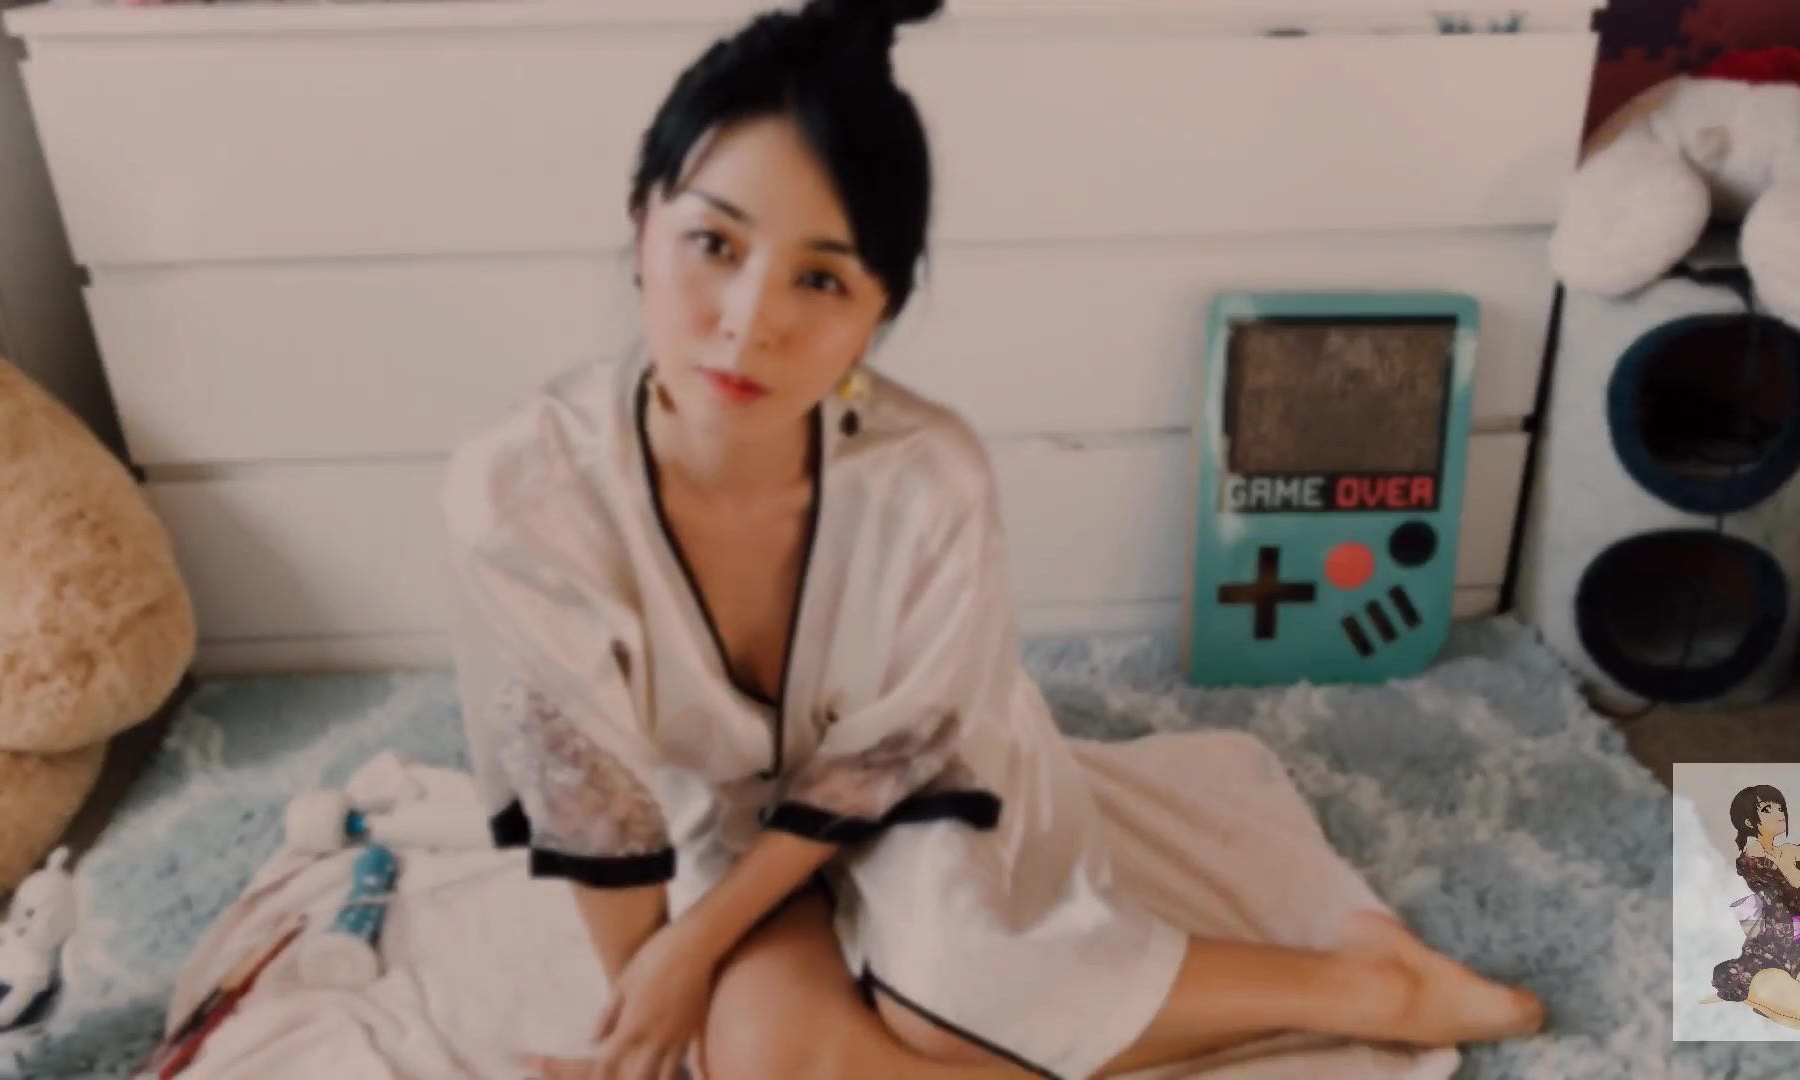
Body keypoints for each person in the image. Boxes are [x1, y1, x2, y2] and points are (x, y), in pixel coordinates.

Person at [442, 1, 1548, 1077]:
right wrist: (658, 994)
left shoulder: (928, 478)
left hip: (924, 776)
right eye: (713, 243)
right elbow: (592, 799)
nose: (749, 319)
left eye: (820, 277)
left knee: (961, 990)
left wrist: (702, 945)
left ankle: (1367, 987)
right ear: (640, 221)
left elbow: (905, 743)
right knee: (762, 1055)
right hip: (714, 815)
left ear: (879, 309)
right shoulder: (525, 496)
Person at [1706, 773, 1800, 1030]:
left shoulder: (1785, 852)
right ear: (1749, 822)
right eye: (1767, 809)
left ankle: (1786, 988)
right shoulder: (1752, 859)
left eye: (1779, 807)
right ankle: (1752, 993)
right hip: (1766, 954)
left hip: (1797, 952)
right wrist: (1789, 864)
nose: (1779, 813)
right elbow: (1797, 886)